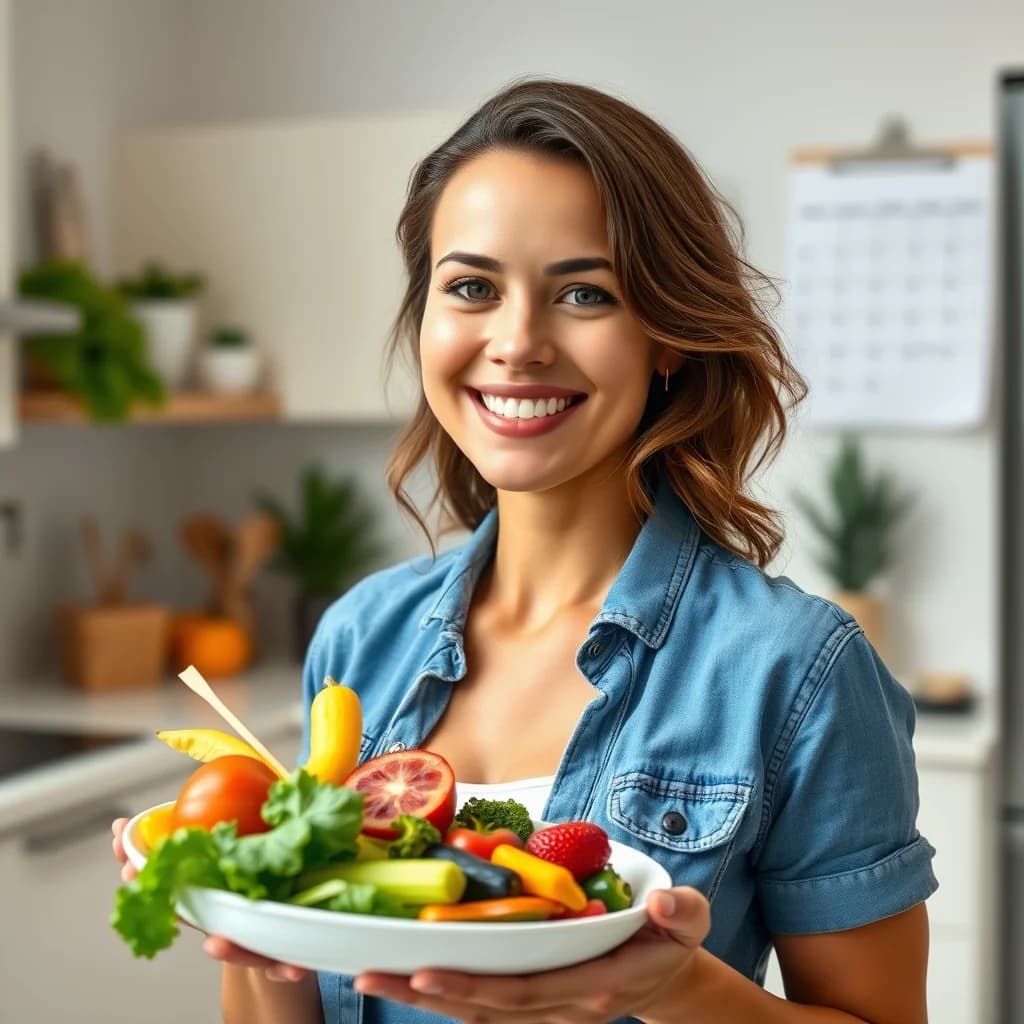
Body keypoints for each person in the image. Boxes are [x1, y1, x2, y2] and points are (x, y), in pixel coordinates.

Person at [113, 76, 937, 1024]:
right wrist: (254, 920)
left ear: (665, 335)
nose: (518, 343)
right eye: (471, 287)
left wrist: (678, 984)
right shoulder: (359, 640)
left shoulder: (797, 671)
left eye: (584, 292)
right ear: (426, 319)